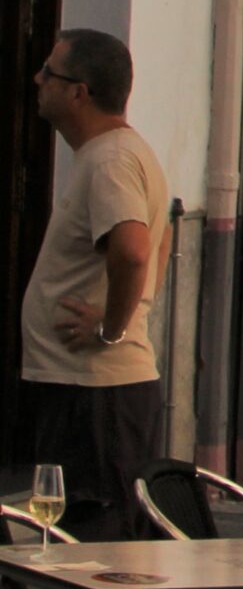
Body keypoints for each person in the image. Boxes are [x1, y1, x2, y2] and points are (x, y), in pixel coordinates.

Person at [21, 29, 168, 539]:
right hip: (85, 388)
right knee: (87, 536)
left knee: (104, 544)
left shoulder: (110, 160)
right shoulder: (110, 155)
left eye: (48, 73)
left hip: (98, 391)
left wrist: (111, 328)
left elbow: (133, 250)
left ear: (79, 92)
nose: (37, 80)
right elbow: (160, 246)